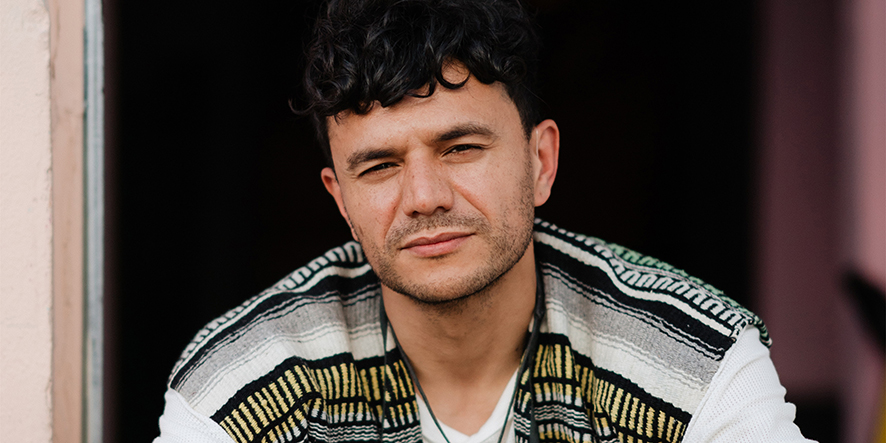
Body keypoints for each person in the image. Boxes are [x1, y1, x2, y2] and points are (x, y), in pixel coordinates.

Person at [155, 0, 814, 442]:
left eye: (460, 148)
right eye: (379, 166)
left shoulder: (689, 360)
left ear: (541, 161)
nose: (423, 196)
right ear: (341, 201)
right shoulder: (243, 385)